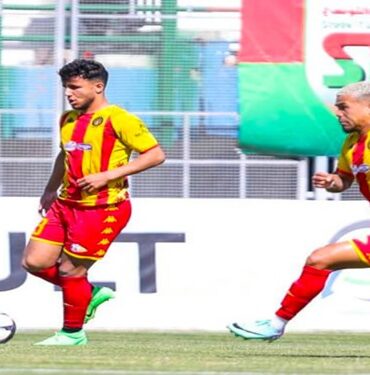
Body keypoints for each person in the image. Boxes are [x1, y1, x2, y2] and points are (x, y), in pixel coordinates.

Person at [22, 59, 165, 345]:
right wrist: (50, 189)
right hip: (65, 204)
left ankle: (72, 334)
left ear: (98, 87)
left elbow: (155, 155)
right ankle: (88, 293)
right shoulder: (68, 119)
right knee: (34, 262)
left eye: (75, 87)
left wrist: (108, 175)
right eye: (66, 87)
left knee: (70, 270)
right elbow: (65, 156)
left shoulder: (119, 119)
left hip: (102, 208)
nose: (69, 93)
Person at [228, 80, 370, 341]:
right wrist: (333, 182)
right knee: (320, 260)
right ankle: (275, 324)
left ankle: (275, 324)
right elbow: (345, 180)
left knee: (320, 259)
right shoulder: (351, 144)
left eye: (343, 107)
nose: (337, 113)